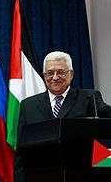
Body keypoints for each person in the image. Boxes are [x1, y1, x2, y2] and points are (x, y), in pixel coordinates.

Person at [15, 51, 111, 181]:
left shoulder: (89, 98)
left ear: (71, 74)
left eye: (60, 72)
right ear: (44, 75)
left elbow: (105, 136)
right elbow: (21, 152)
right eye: (50, 73)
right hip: (40, 177)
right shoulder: (28, 105)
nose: (55, 77)